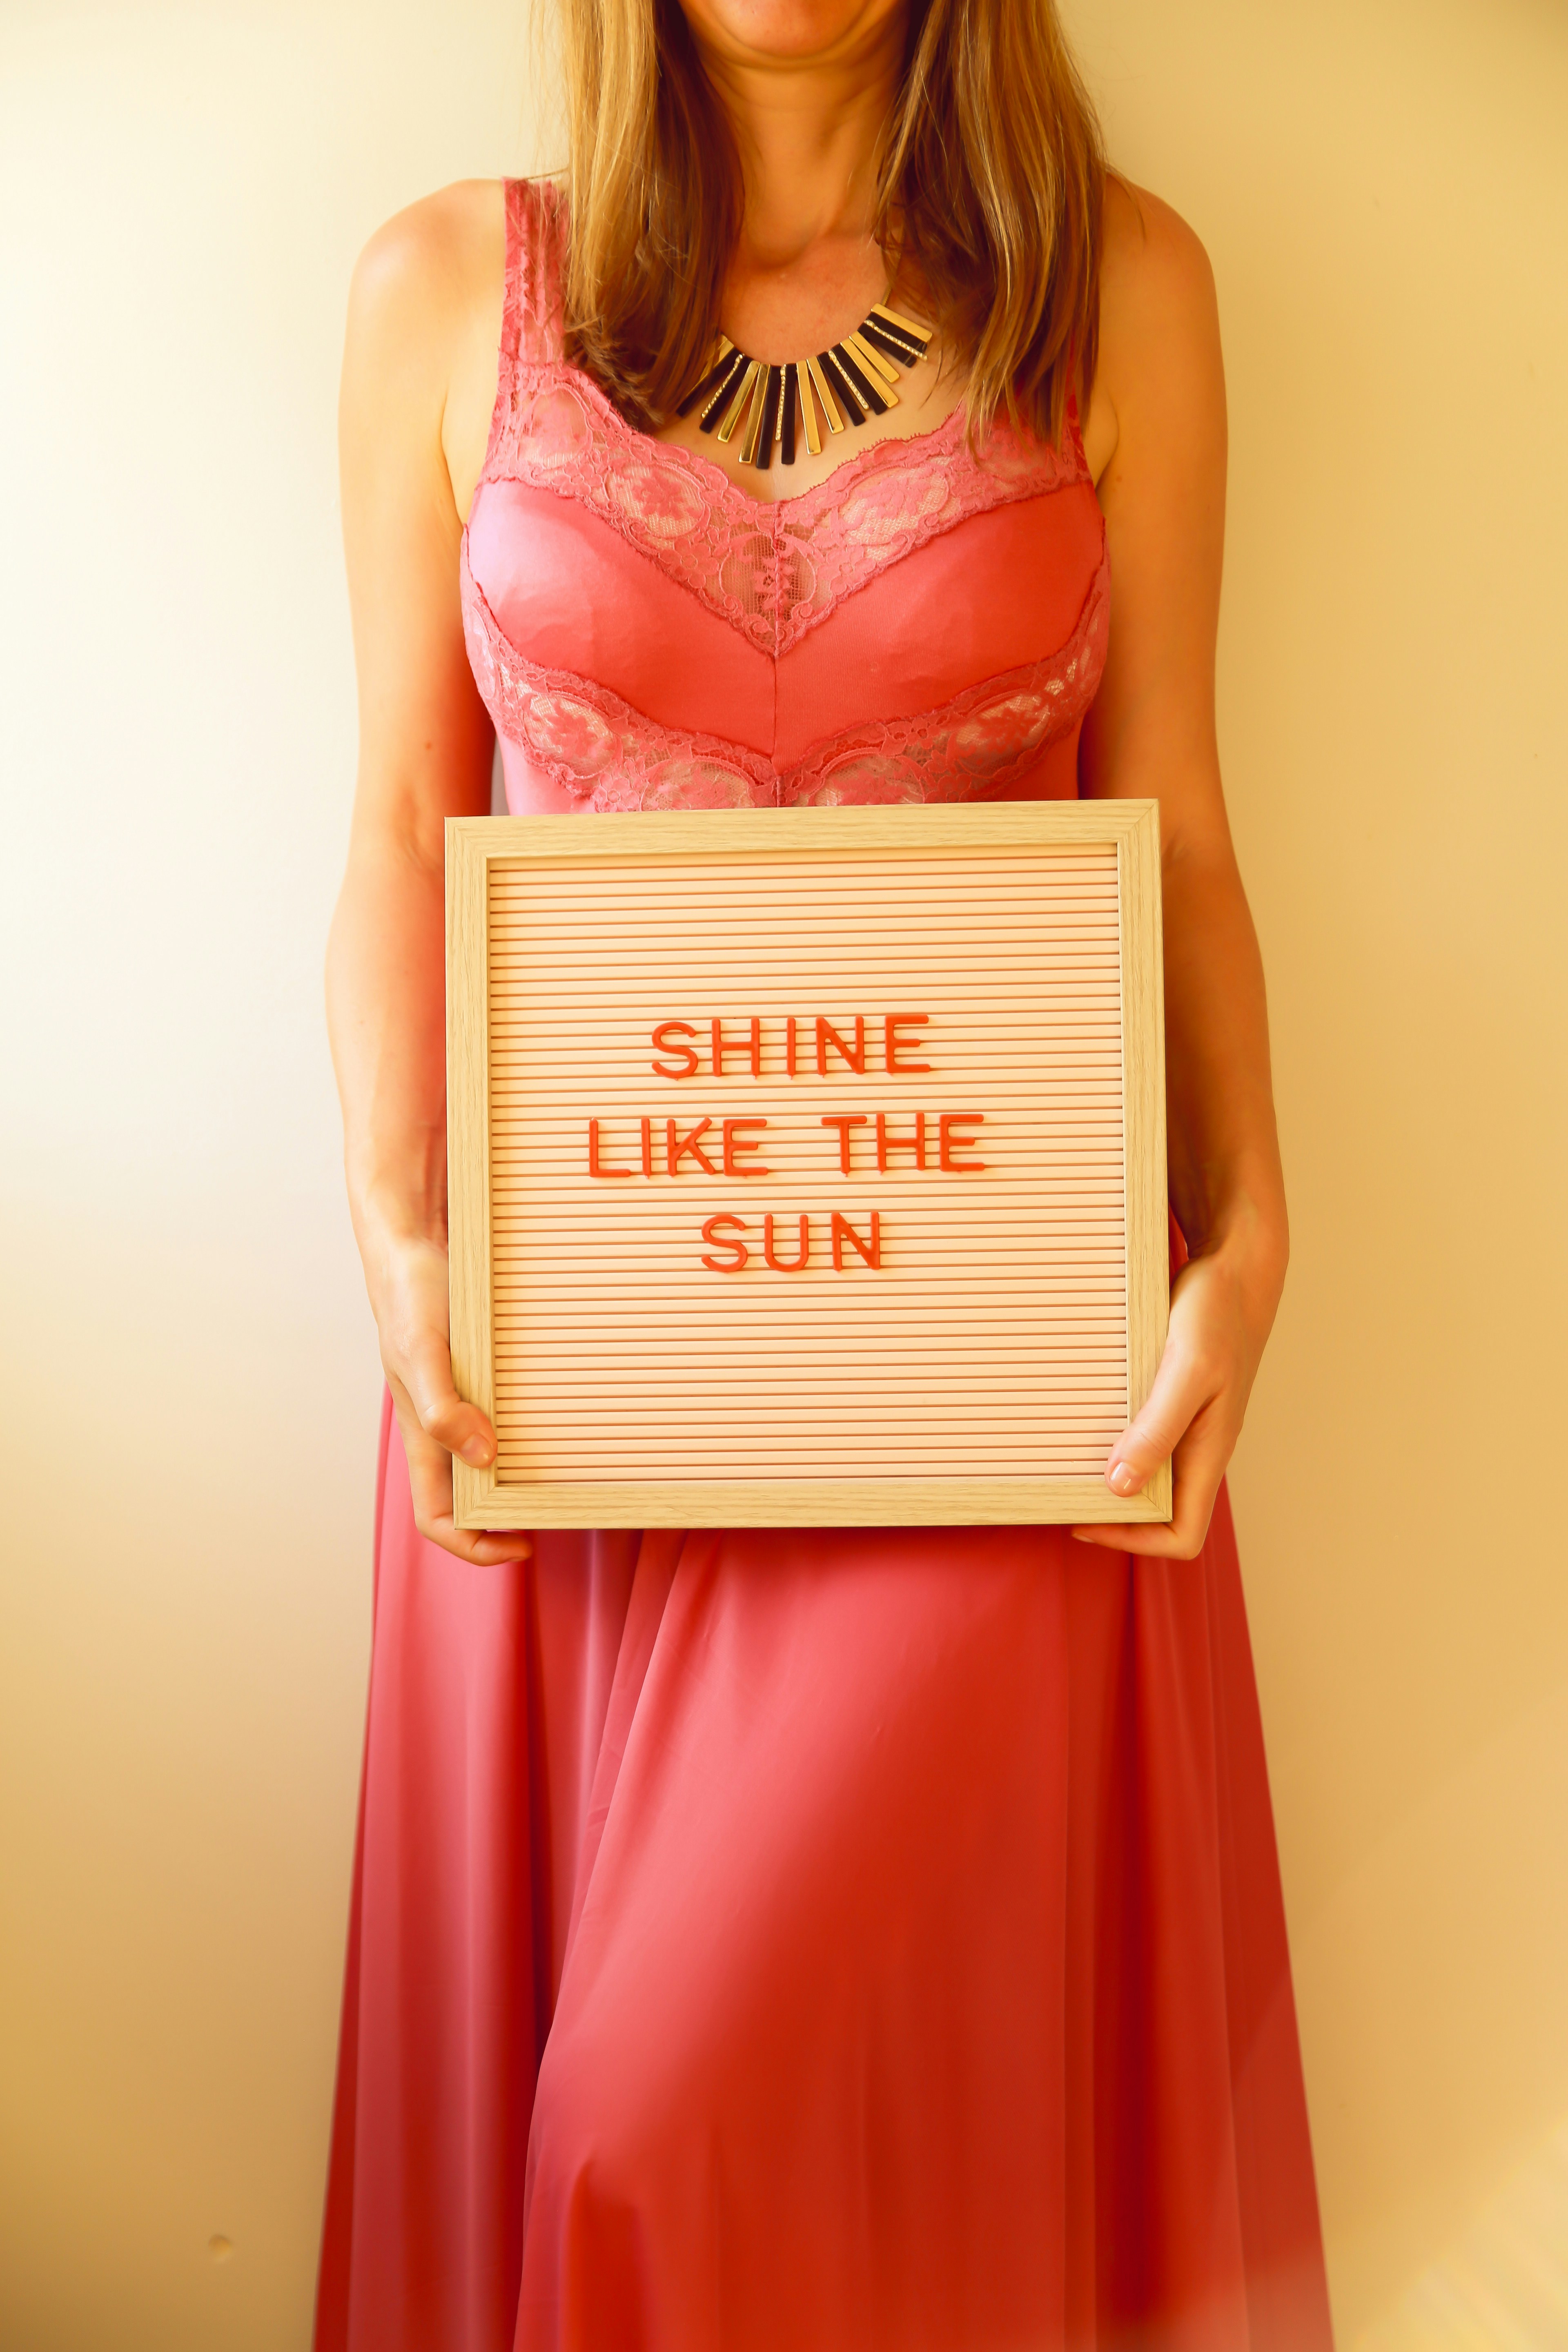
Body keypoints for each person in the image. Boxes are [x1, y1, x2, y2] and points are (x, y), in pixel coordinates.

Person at [317, 1, 1334, 2344]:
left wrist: (1255, 1229)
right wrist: (395, 1234)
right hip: (563, 1380)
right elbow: (394, 815)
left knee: (656, 2129)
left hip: (994, 1390)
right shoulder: (443, 293)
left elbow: (1175, 813)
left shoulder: (1125, 290)